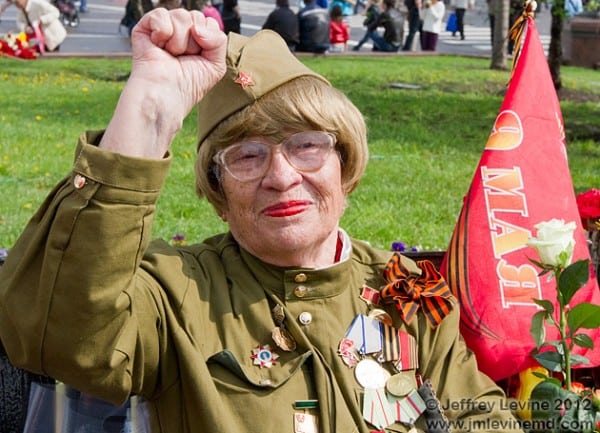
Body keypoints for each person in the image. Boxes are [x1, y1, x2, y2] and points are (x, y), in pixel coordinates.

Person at [0, 8, 525, 433]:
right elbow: (61, 336)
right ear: (219, 193)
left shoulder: (406, 292)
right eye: (247, 156)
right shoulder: (177, 292)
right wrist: (148, 113)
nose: (281, 176)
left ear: (345, 166)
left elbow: (479, 417)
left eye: (306, 147)